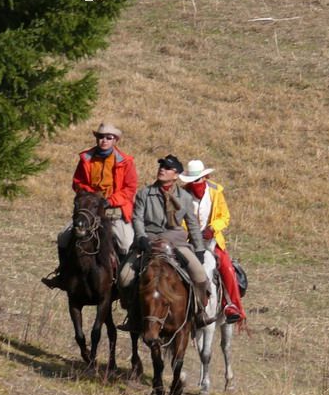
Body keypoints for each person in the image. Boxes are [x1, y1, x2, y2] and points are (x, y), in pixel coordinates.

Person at [117, 154, 214, 331]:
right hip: (149, 240)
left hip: (176, 242)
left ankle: (199, 312)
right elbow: (137, 218)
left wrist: (199, 249)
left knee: (200, 276)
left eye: (167, 168)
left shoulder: (184, 197)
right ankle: (132, 316)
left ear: (176, 175)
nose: (162, 170)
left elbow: (192, 223)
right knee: (124, 277)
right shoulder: (144, 193)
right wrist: (141, 237)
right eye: (161, 166)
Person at [42, 122, 138, 290]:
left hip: (113, 210)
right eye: (101, 137)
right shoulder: (86, 158)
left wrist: (110, 200)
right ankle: (63, 274)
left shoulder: (126, 162)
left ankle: (125, 284)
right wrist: (92, 197)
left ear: (115, 140)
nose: (104, 141)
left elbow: (130, 189)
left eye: (109, 138)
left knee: (126, 242)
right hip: (90, 209)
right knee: (63, 236)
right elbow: (77, 183)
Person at [180, 159, 245, 324]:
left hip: (212, 241)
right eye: (192, 181)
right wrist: (189, 233)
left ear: (205, 177)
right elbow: (179, 219)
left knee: (227, 268)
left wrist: (213, 228)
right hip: (188, 241)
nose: (195, 184)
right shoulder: (181, 194)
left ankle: (230, 305)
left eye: (198, 180)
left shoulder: (216, 192)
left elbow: (225, 216)